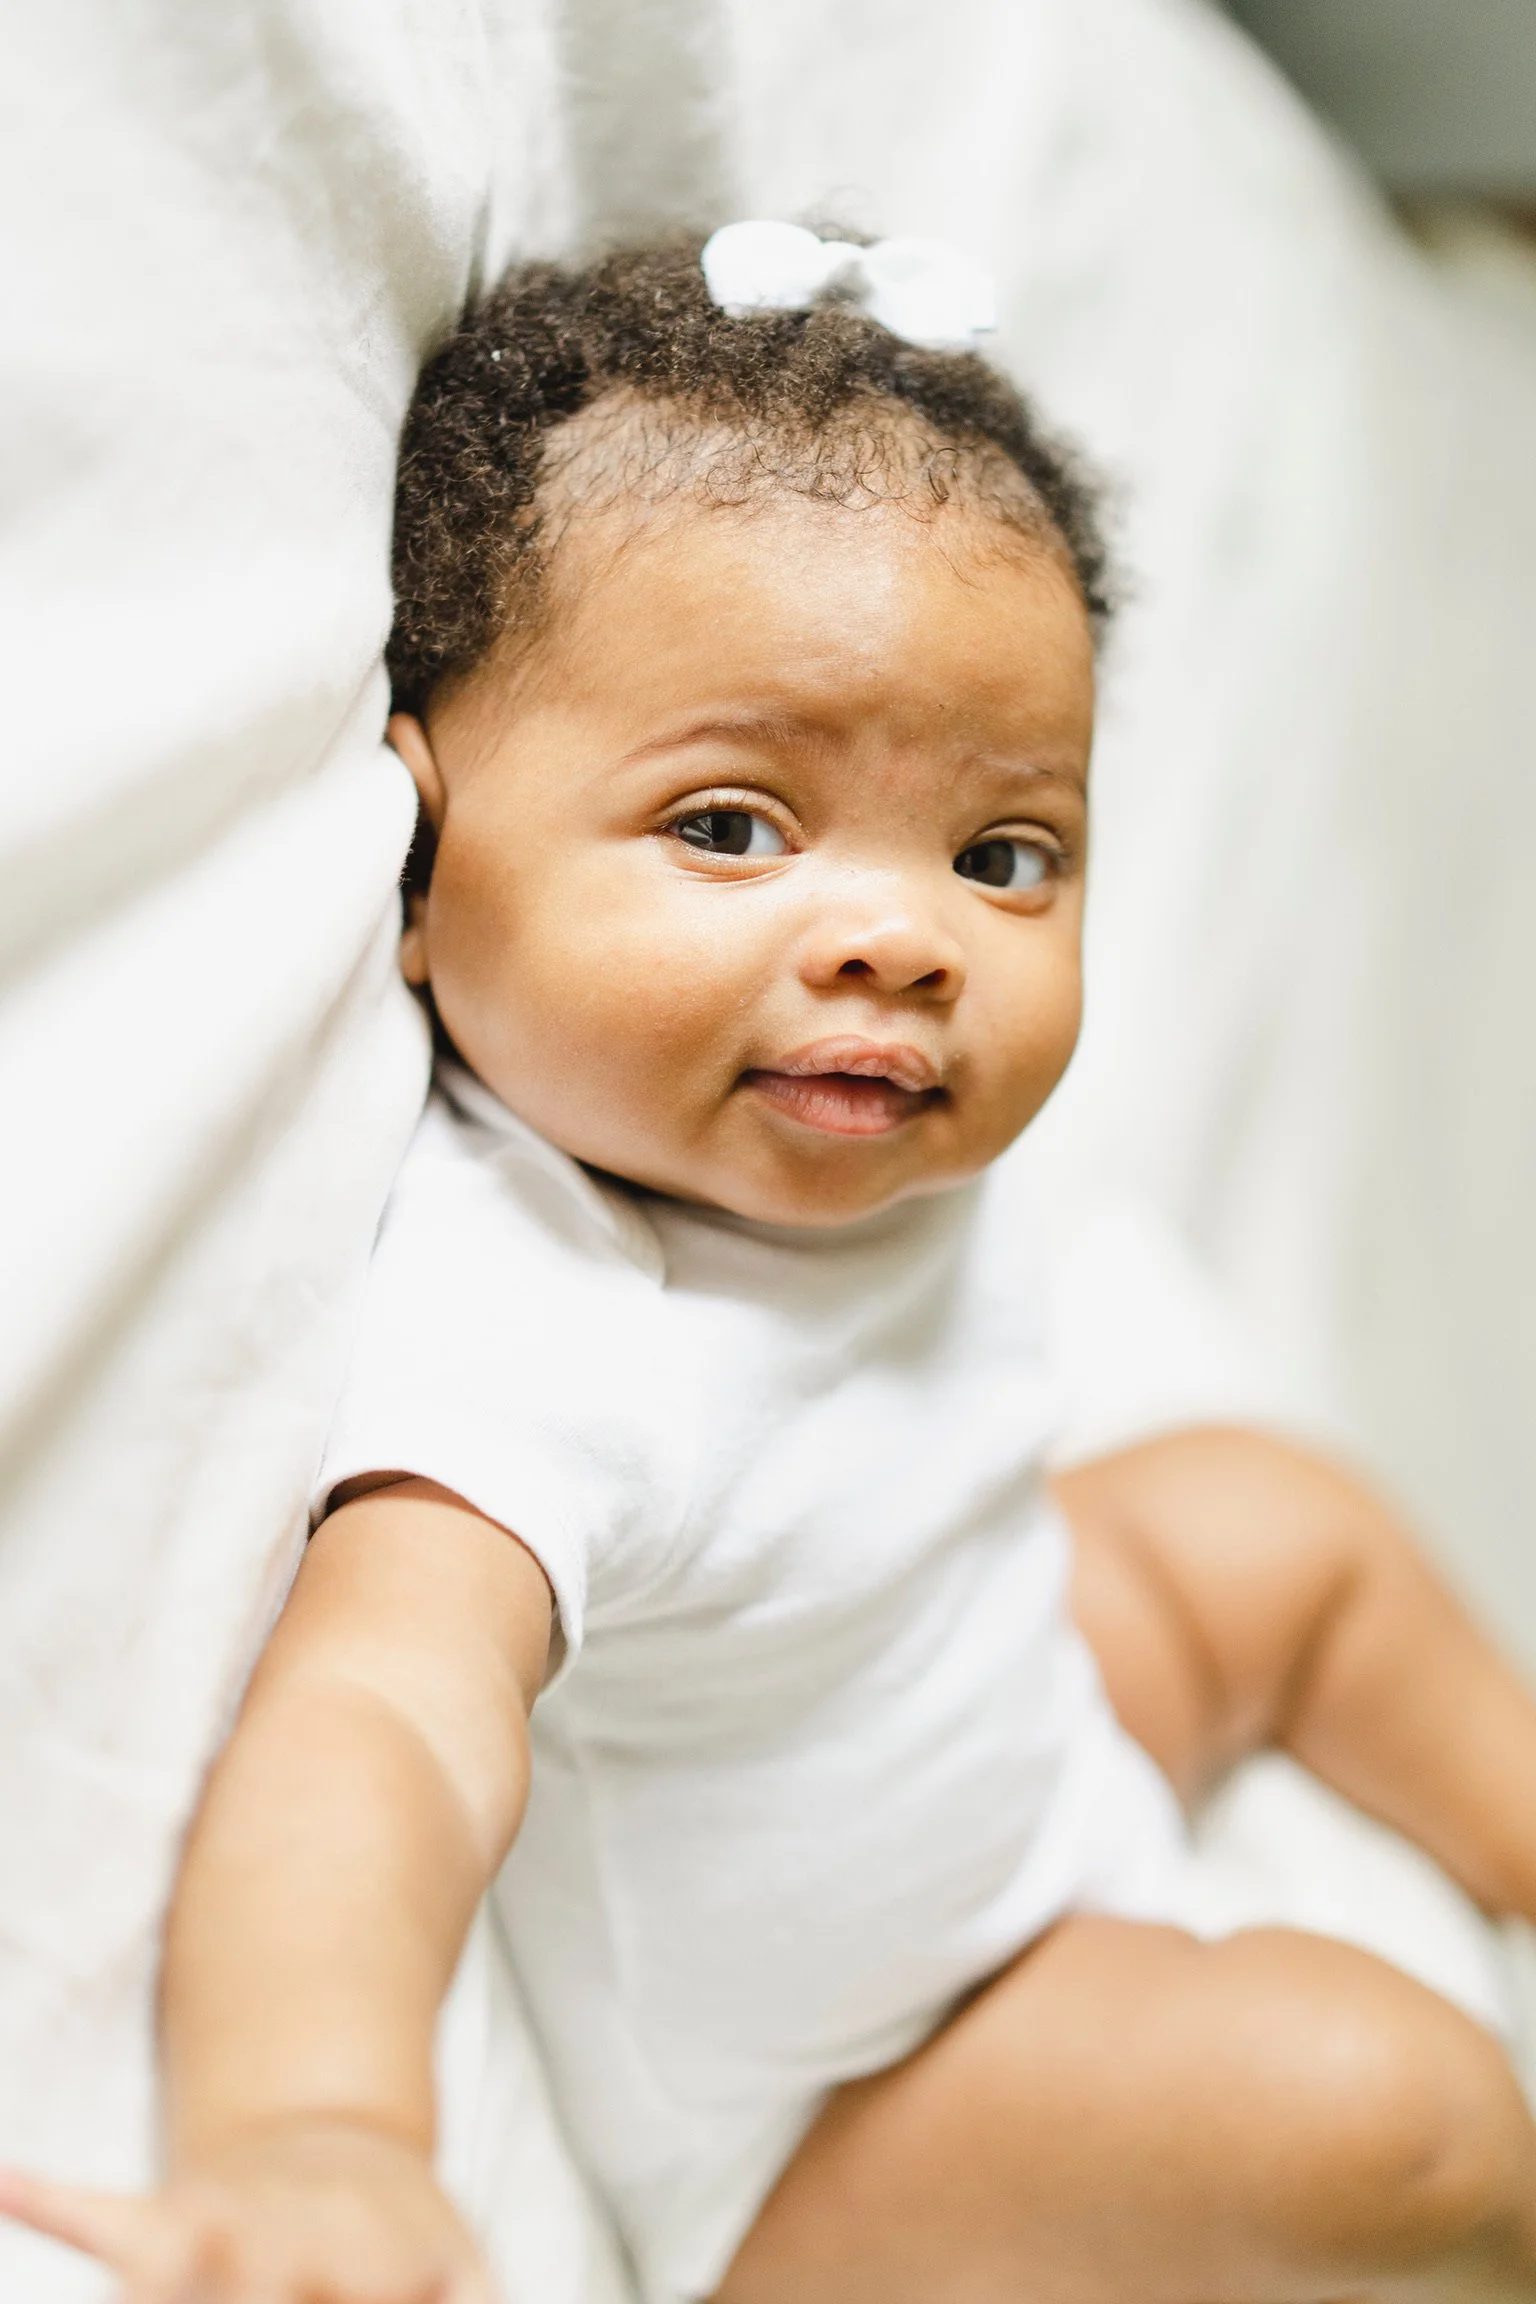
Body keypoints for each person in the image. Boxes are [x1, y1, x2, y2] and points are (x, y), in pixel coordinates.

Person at [4, 222, 1534, 2304]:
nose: (903, 939)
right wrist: (320, 2135)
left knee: (1266, 1521)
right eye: (732, 824)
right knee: (1400, 2104)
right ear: (421, 866)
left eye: (1006, 858)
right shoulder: (544, 1341)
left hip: (1017, 1729)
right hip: (850, 2104)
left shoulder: (838, 1123)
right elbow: (377, 1729)